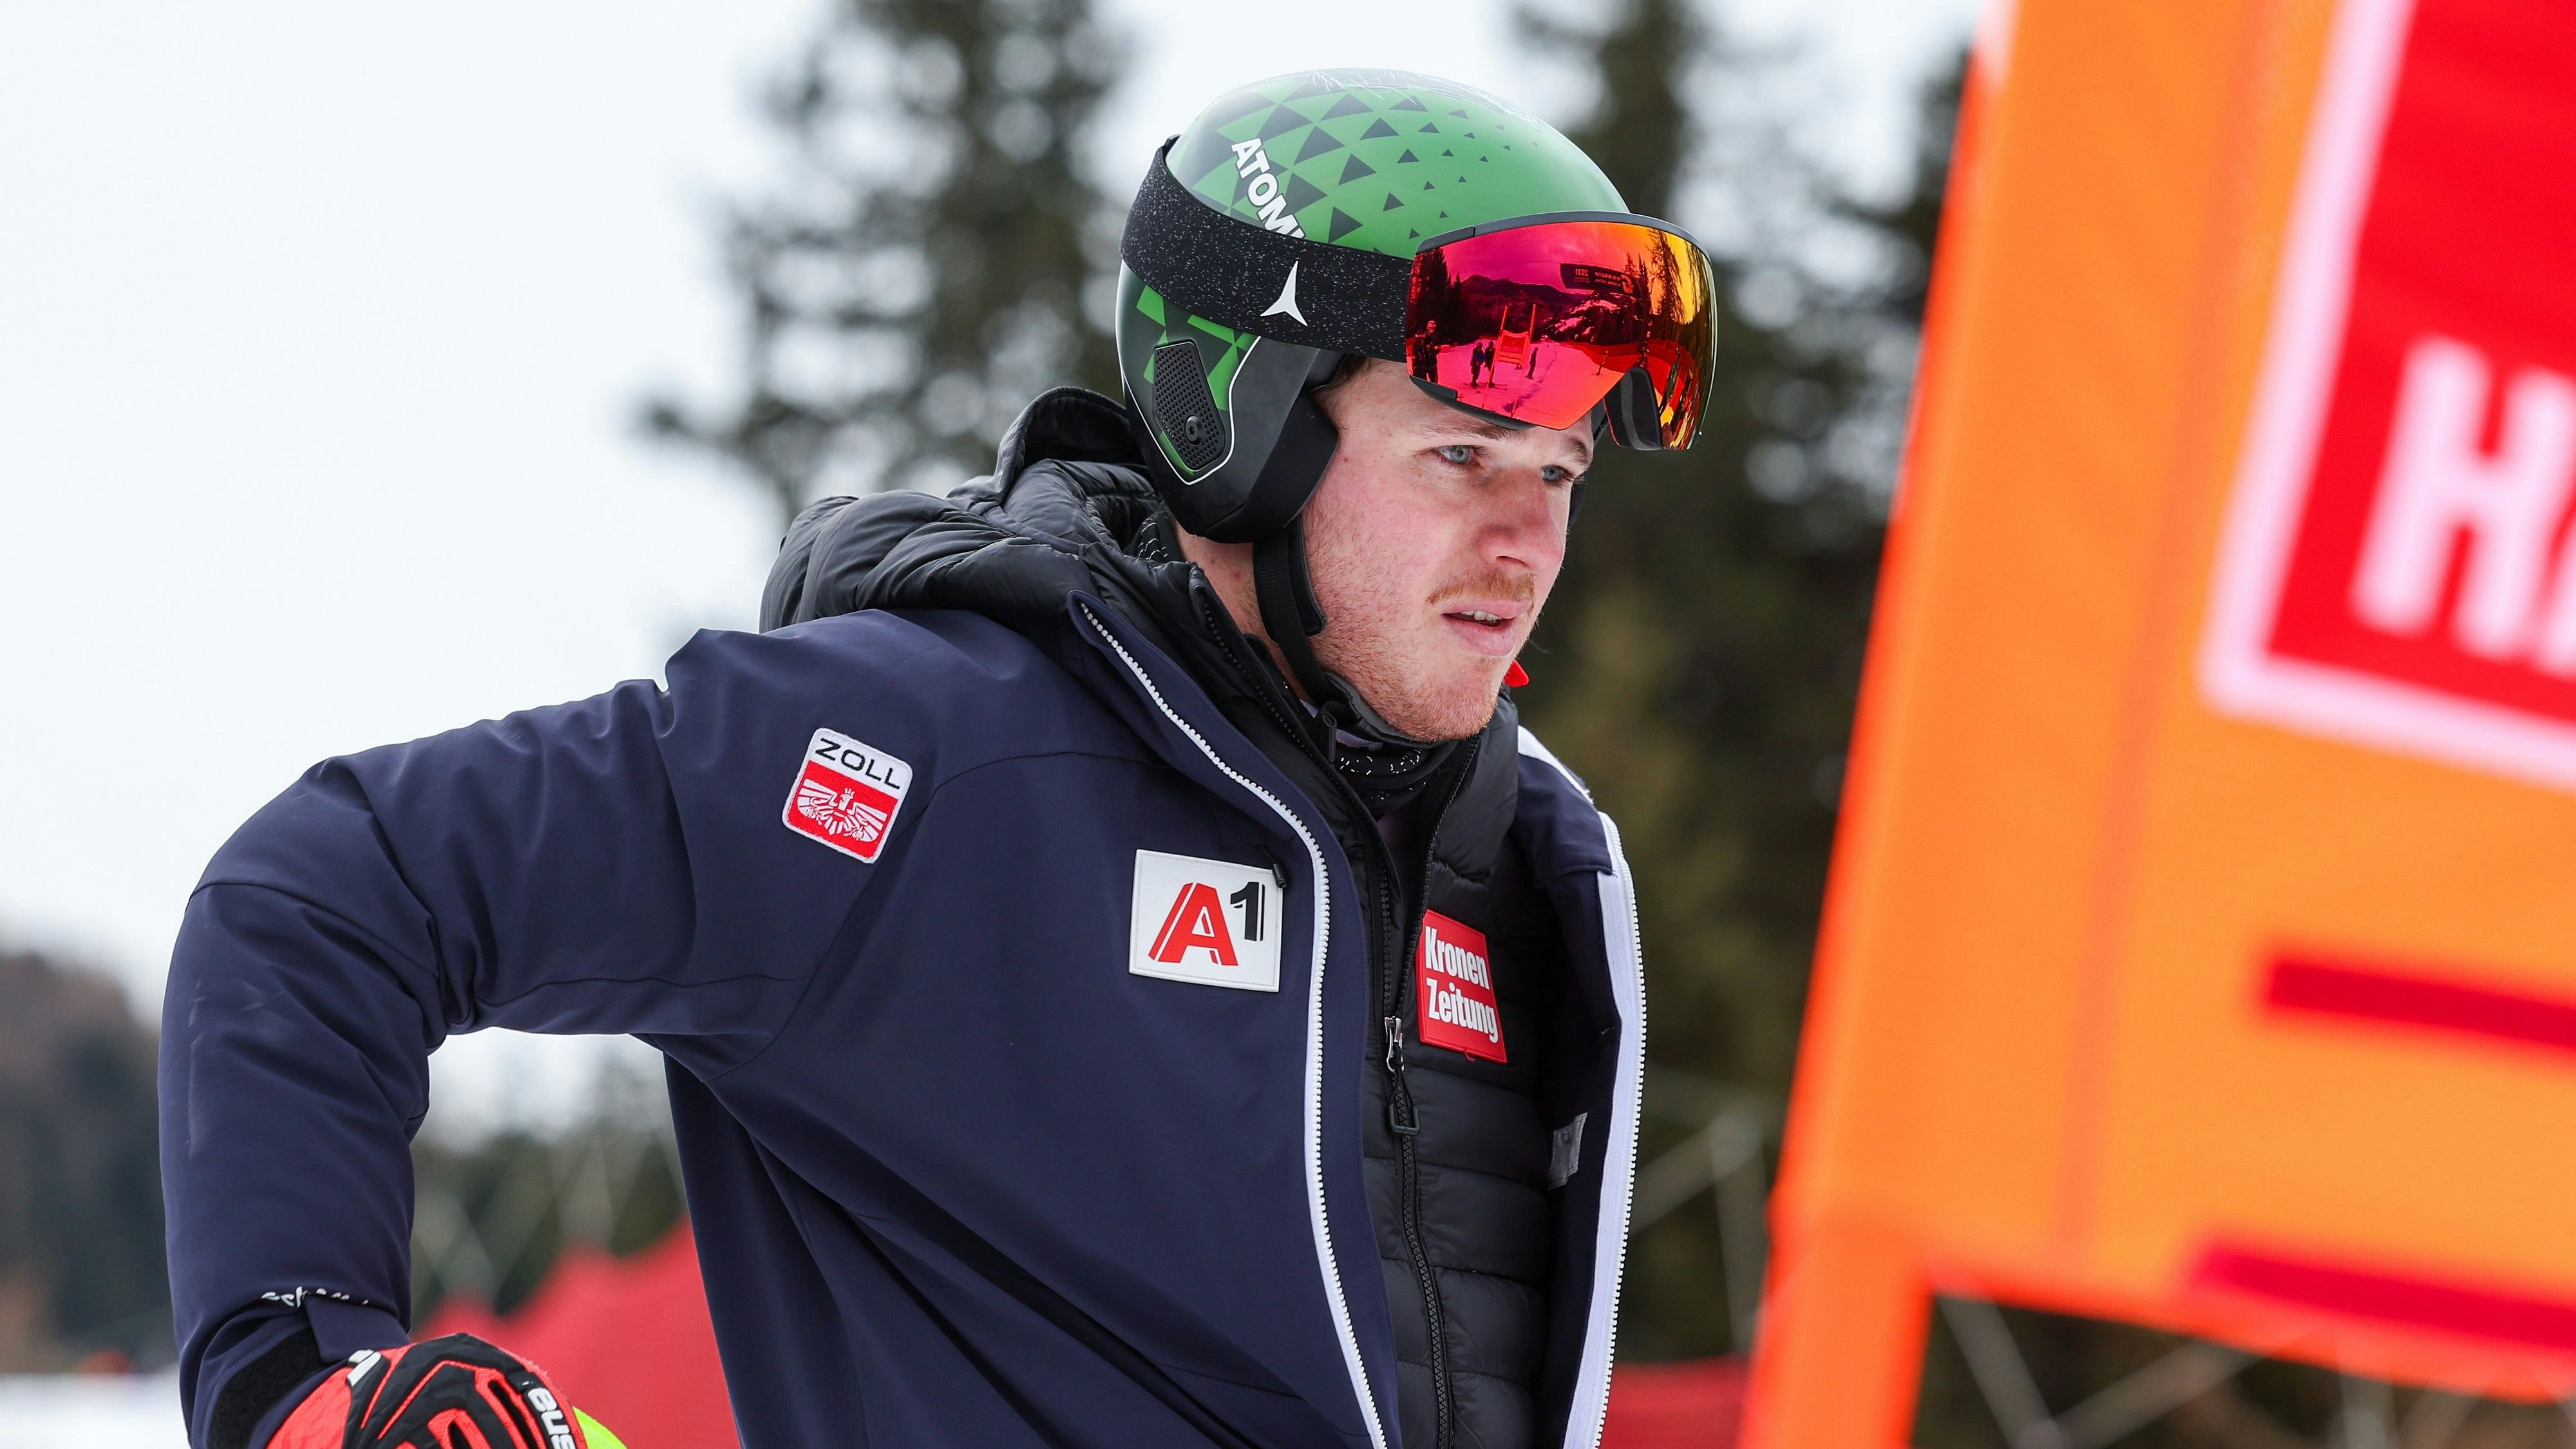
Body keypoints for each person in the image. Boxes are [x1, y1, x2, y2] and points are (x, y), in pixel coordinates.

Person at [161, 68, 1716, 1449]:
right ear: (1239, 420)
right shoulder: (922, 760)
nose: (1525, 545)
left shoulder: (1522, 858)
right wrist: (297, 1366)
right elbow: (331, 888)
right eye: (1461, 456)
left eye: (1559, 472)